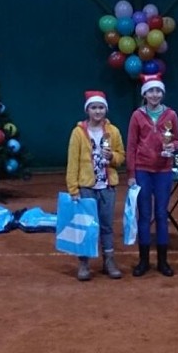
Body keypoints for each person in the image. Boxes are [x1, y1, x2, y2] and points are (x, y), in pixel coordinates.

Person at [65, 90, 125, 282]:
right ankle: (84, 263)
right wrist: (73, 189)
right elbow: (72, 162)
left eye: (101, 108)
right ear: (88, 110)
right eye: (94, 108)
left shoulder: (113, 131)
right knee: (86, 225)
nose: (97, 111)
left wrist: (113, 157)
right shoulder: (78, 133)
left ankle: (109, 261)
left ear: (105, 110)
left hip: (107, 186)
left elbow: (121, 156)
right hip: (86, 187)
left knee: (107, 226)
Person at [126, 75, 178, 277]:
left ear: (162, 93)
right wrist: (131, 173)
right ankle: (143, 261)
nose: (154, 94)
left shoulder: (171, 115)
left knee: (161, 214)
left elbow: (177, 140)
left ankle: (163, 262)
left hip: (163, 171)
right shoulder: (137, 116)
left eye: (158, 91)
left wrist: (171, 146)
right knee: (144, 214)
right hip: (142, 170)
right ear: (145, 94)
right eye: (151, 91)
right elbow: (131, 146)